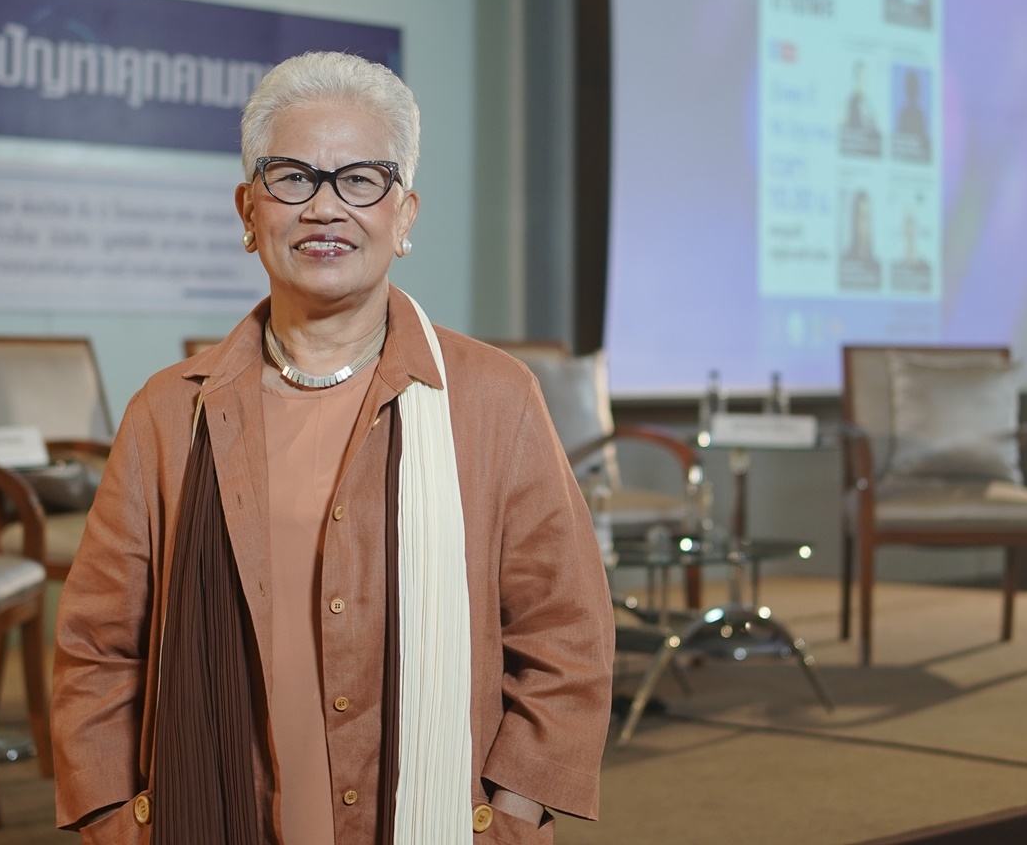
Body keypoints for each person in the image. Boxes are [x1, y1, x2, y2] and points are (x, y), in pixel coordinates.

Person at [51, 51, 614, 845]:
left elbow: (565, 633)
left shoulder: (494, 399)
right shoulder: (168, 414)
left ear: (404, 215)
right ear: (249, 210)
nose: (324, 208)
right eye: (292, 178)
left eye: (360, 180)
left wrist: (514, 808)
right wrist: (111, 817)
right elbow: (97, 646)